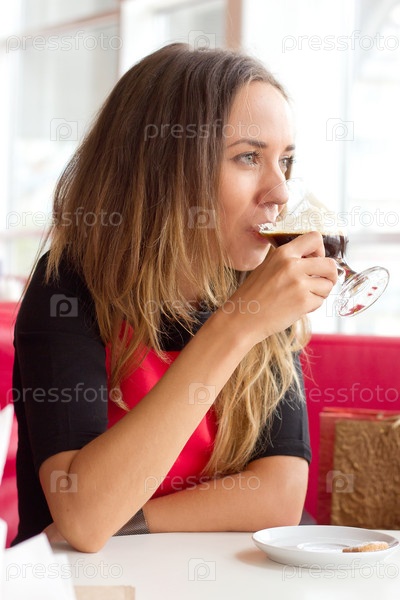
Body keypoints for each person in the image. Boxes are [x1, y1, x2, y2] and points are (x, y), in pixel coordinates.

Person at [12, 42, 337, 552]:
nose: (280, 192)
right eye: (249, 157)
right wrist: (238, 325)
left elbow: (280, 496)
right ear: (166, 167)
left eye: (286, 161)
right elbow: (84, 514)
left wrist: (132, 520)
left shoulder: (259, 289)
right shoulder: (69, 288)